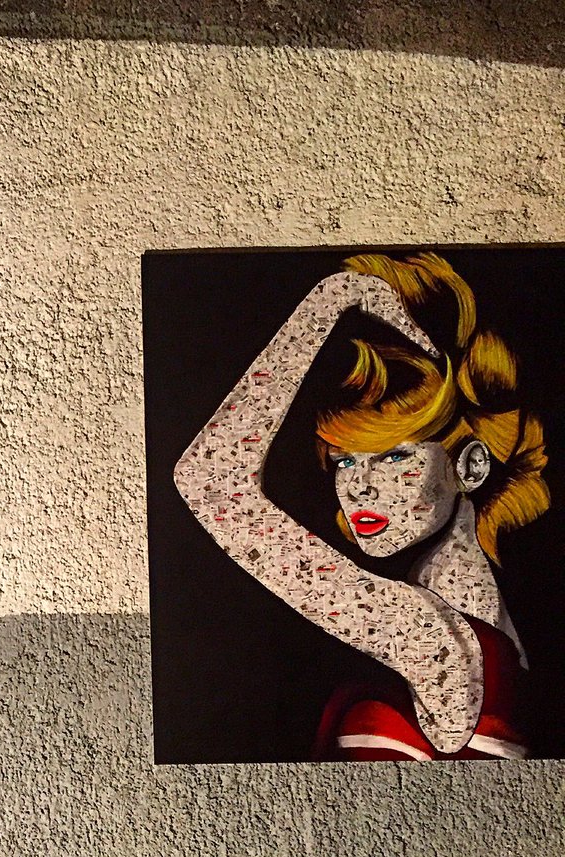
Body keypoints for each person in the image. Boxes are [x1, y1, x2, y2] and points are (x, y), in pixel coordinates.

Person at [173, 253, 549, 761]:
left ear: (471, 467)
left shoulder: (431, 632)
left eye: (394, 456)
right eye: (345, 461)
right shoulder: (490, 632)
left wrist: (331, 300)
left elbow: (211, 481)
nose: (362, 488)